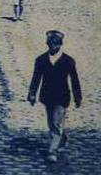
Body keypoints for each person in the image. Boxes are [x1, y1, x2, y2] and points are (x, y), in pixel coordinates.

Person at [27, 30, 82, 163]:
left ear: (60, 45)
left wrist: (77, 96)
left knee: (56, 123)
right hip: (47, 96)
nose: (53, 47)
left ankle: (52, 151)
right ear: (48, 45)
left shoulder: (68, 61)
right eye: (50, 44)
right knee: (52, 122)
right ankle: (61, 138)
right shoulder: (41, 60)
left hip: (62, 97)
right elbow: (36, 78)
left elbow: (75, 80)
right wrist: (32, 93)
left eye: (55, 44)